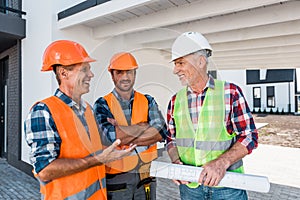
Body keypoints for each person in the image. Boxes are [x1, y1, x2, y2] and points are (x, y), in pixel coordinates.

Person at [24, 40, 136, 200]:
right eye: (84, 69)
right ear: (63, 73)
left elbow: (90, 151)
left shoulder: (88, 109)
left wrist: (113, 150)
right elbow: (45, 170)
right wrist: (99, 159)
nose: (91, 75)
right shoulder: (43, 111)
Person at [166, 31, 258, 200]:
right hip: (190, 189)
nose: (175, 70)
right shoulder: (175, 101)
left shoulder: (230, 93)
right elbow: (171, 139)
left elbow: (249, 136)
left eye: (180, 63)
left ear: (201, 62)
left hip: (227, 186)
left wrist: (221, 163)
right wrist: (176, 162)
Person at [93, 52, 167, 200]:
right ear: (112, 75)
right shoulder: (102, 104)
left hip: (146, 175)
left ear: (135, 74)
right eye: (119, 72)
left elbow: (161, 132)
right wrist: (143, 127)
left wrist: (123, 134)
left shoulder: (148, 100)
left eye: (129, 72)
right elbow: (109, 138)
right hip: (117, 179)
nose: (125, 77)